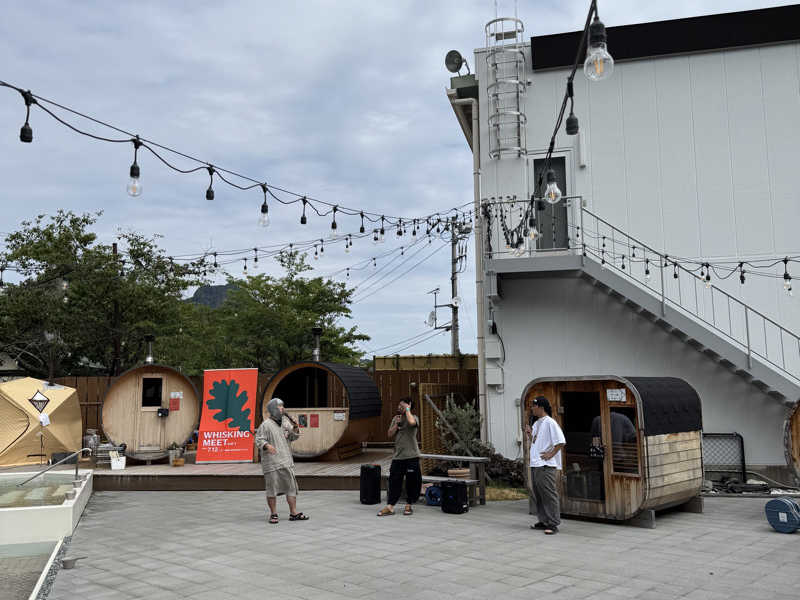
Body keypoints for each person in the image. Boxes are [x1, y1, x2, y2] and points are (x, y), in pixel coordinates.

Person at [255, 397, 309, 524]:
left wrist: (295, 426)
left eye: (282, 406)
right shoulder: (266, 425)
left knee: (291, 488)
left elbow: (293, 437)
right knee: (272, 490)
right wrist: (267, 445)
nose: (282, 408)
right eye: (279, 406)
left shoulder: (285, 423)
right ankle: (273, 514)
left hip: (286, 460)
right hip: (271, 463)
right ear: (273, 409)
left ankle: (293, 513)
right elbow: (259, 440)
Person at [524, 396, 566, 535]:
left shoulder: (550, 422)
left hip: (545, 465)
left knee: (548, 494)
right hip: (536, 463)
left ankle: (553, 523)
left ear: (541, 408)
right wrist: (530, 435)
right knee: (538, 494)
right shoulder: (537, 423)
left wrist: (550, 454)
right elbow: (536, 441)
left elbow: (561, 441)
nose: (532, 408)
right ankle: (543, 520)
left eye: (534, 406)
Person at [377, 397, 421, 516]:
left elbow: (412, 423)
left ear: (408, 406)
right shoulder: (396, 418)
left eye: (402, 405)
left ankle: (409, 505)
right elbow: (389, 434)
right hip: (398, 457)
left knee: (412, 482)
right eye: (399, 405)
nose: (399, 407)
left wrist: (408, 410)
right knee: (394, 481)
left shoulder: (414, 417)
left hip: (412, 456)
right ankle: (390, 506)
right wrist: (396, 424)